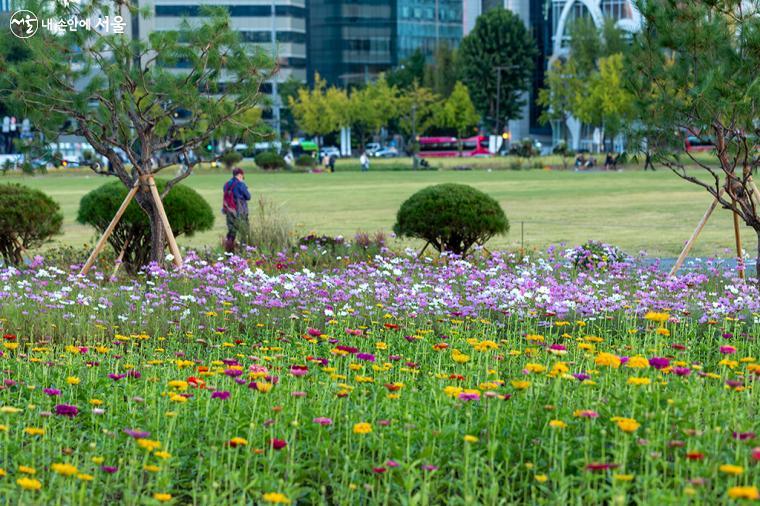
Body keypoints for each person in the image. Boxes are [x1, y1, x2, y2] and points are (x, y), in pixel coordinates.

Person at [222, 167, 251, 252]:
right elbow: (248, 197)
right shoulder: (240, 184)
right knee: (244, 232)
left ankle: (229, 251)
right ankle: (244, 251)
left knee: (231, 232)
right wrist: (243, 184)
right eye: (242, 176)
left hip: (229, 210)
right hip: (240, 211)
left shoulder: (227, 184)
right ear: (239, 175)